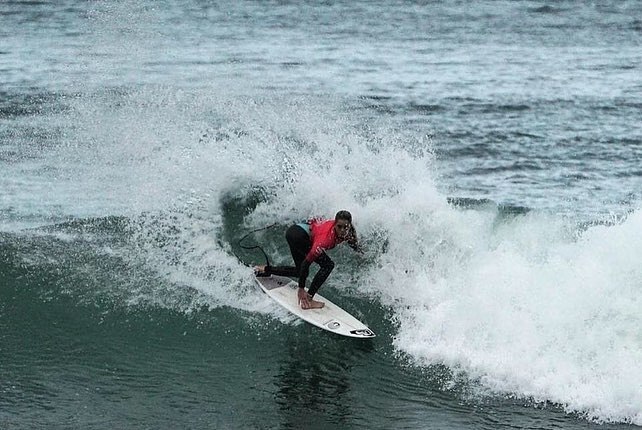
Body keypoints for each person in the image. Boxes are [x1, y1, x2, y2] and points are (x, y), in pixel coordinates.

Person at [255, 210, 362, 310]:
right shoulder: (325, 240)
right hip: (299, 236)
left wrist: (360, 253)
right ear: (334, 224)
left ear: (350, 225)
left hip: (297, 229)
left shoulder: (350, 230)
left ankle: (265, 269)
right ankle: (309, 299)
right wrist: (301, 289)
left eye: (345, 227)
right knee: (328, 265)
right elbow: (306, 263)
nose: (343, 230)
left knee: (299, 271)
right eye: (339, 227)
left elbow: (352, 241)